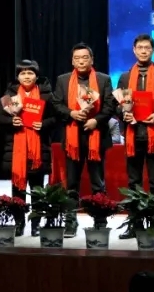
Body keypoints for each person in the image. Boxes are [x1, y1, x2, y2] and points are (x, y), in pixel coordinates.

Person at [116, 34, 154, 240]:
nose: (143, 51)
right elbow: (117, 104)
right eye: (140, 47)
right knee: (133, 182)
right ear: (134, 50)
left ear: (153, 50)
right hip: (132, 137)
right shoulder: (125, 77)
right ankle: (134, 225)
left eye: (147, 48)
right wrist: (123, 113)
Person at [52, 42, 114, 237]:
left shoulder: (103, 79)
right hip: (73, 139)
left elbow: (110, 106)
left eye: (85, 57)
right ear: (72, 61)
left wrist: (96, 120)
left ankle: (100, 221)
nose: (81, 61)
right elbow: (56, 104)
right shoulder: (63, 80)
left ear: (92, 60)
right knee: (71, 183)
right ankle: (70, 222)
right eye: (77, 58)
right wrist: (71, 113)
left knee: (98, 183)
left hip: (96, 136)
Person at [0, 59, 56, 237]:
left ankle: (36, 224)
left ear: (37, 76)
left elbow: (56, 118)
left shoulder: (46, 95)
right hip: (16, 149)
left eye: (30, 73)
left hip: (39, 149)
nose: (27, 76)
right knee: (18, 189)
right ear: (18, 76)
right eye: (23, 73)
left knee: (37, 189)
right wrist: (11, 121)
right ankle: (19, 223)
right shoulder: (10, 95)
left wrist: (43, 124)